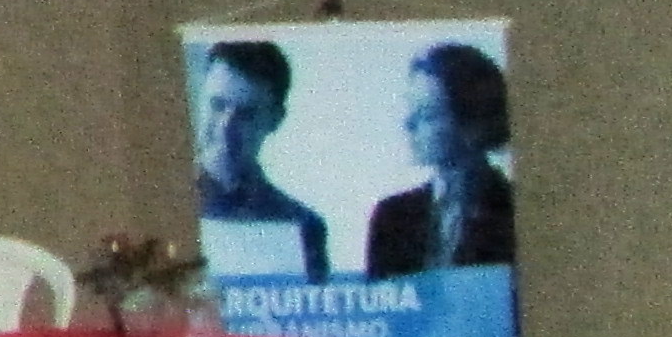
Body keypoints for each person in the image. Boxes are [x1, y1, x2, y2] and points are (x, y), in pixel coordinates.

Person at [364, 40, 514, 272]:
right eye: (411, 110)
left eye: (427, 114)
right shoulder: (392, 217)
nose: (408, 124)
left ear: (473, 121)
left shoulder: (516, 209)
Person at [191, 39, 332, 278]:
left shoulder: (303, 226)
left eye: (246, 115)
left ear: (275, 119)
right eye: (217, 105)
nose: (226, 127)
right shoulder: (157, 207)